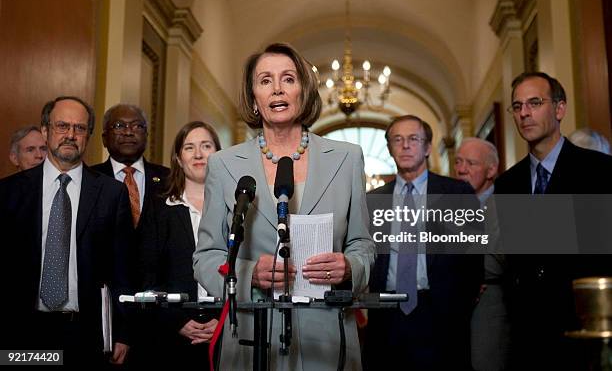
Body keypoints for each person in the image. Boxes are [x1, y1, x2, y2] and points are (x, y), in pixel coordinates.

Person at [193, 42, 375, 370]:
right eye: (265, 81)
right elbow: (207, 257)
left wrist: (350, 268)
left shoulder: (347, 159)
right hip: (251, 335)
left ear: (304, 91)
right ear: (253, 98)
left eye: (288, 79)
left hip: (327, 335)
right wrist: (248, 273)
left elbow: (362, 245)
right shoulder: (223, 164)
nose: (277, 89)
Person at [0, 96, 133, 365]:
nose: (70, 135)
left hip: (86, 335)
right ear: (46, 131)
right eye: (62, 126)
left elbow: (124, 269)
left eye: (80, 128)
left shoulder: (112, 193)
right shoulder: (9, 192)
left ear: (89, 136)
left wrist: (123, 332)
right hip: (22, 332)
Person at [494, 72, 612, 368]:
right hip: (529, 338)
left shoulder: (598, 171)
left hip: (584, 331)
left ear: (560, 109)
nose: (524, 113)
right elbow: (517, 261)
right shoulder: (508, 183)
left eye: (534, 102)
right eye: (517, 106)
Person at [363, 115, 482, 370]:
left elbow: (473, 258)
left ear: (428, 147)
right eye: (398, 139)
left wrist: (459, 304)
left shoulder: (457, 193)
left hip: (441, 316)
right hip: (386, 316)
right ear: (390, 149)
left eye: (413, 139)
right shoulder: (371, 201)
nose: (405, 146)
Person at [139, 121, 220, 366]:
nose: (198, 154)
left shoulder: (236, 206)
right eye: (189, 148)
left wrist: (222, 318)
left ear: (219, 154)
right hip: (170, 336)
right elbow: (146, 274)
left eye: (206, 146)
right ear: (177, 158)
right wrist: (177, 321)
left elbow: (245, 270)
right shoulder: (159, 207)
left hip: (227, 333)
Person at [455, 137, 509, 371]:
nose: (461, 169)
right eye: (458, 162)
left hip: (491, 310)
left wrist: (467, 276)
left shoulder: (506, 204)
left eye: (471, 163)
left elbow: (499, 261)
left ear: (491, 169)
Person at [91, 104, 169, 228]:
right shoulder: (89, 179)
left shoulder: (168, 179)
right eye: (119, 126)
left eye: (137, 126)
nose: (128, 132)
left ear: (146, 137)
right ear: (104, 139)